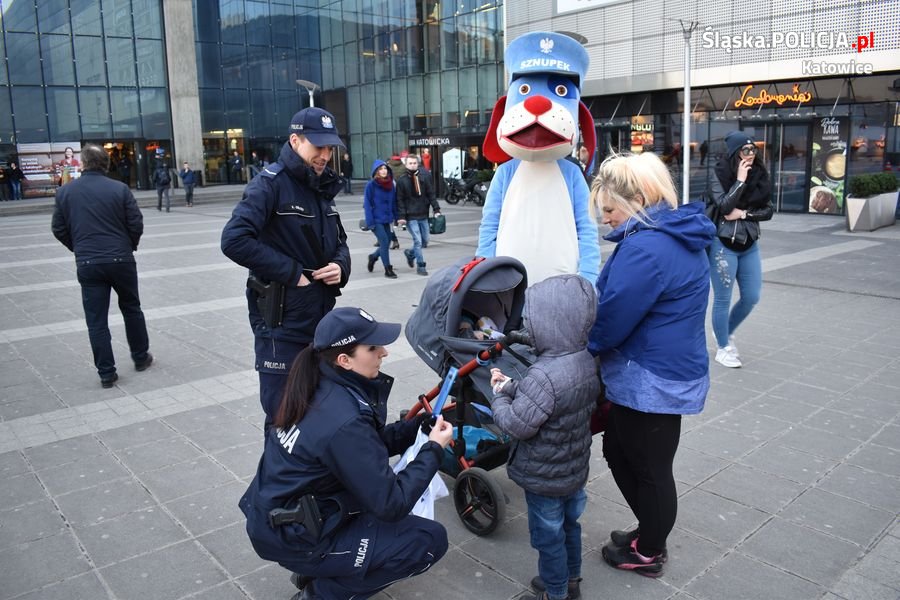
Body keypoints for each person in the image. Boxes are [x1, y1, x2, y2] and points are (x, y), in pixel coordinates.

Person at [239, 307, 454, 600]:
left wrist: (413, 429)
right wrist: (433, 450)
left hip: (282, 518)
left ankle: (319, 567)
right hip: (296, 535)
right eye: (373, 347)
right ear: (344, 360)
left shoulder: (321, 383)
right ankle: (319, 592)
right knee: (428, 541)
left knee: (373, 502)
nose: (384, 353)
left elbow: (363, 447)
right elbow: (392, 503)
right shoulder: (343, 417)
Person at [587, 152, 715, 578]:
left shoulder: (646, 248)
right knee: (630, 454)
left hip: (649, 376)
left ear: (638, 198)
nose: (605, 219)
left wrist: (586, 346)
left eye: (609, 209)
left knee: (646, 464)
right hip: (662, 370)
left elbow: (614, 316)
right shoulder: (670, 232)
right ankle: (649, 531)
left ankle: (649, 551)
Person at [221, 107, 351, 435]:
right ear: (295, 140)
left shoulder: (321, 186)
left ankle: (308, 481)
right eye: (317, 147)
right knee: (283, 414)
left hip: (319, 318)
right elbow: (233, 240)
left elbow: (340, 242)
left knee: (315, 410)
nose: (324, 155)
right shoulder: (270, 185)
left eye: (329, 148)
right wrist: (293, 273)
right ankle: (278, 484)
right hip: (281, 324)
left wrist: (340, 266)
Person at [488, 275, 599, 600]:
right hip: (573, 471)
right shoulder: (584, 360)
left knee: (547, 538)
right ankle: (572, 579)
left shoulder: (542, 375)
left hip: (543, 478)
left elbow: (518, 424)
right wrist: (511, 385)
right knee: (570, 528)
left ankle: (556, 592)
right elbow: (552, 401)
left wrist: (498, 397)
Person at [50, 144, 153, 388]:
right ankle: (140, 357)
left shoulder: (65, 193)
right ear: (105, 164)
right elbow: (136, 222)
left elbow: (58, 229)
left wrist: (78, 248)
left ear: (83, 164)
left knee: (96, 320)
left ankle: (106, 372)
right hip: (121, 259)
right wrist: (129, 246)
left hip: (88, 262)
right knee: (131, 308)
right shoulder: (119, 189)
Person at [707, 132, 773, 368]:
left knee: (752, 296)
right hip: (723, 244)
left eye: (753, 150)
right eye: (745, 151)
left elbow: (768, 211)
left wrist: (745, 214)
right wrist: (740, 181)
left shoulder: (760, 174)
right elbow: (724, 207)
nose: (750, 155)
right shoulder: (720, 173)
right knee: (723, 299)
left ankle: (724, 331)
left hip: (749, 244)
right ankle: (723, 348)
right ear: (735, 154)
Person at [397, 154, 440, 276]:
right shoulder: (401, 180)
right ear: (406, 164)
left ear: (418, 164)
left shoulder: (424, 177)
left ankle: (410, 254)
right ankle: (421, 266)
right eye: (410, 163)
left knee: (425, 240)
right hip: (410, 216)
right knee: (418, 241)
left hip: (423, 214)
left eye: (414, 163)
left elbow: (431, 194)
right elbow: (399, 200)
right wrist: (401, 217)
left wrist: (436, 208)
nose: (412, 165)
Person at [364, 160, 399, 279]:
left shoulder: (391, 184)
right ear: (376, 171)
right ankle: (388, 269)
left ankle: (373, 257)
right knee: (384, 241)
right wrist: (370, 223)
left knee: (387, 242)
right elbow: (367, 204)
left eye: (385, 168)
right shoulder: (371, 185)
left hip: (387, 219)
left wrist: (396, 217)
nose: (383, 171)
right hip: (375, 219)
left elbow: (394, 202)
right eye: (380, 169)